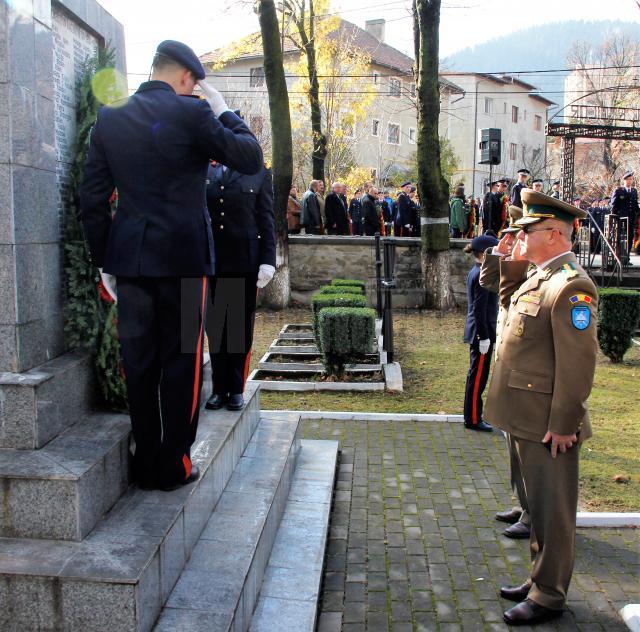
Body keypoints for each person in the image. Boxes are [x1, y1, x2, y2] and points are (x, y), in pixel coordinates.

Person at [80, 40, 263, 490]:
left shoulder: (111, 117)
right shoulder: (193, 113)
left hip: (132, 262)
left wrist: (105, 259)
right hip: (183, 262)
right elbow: (251, 158)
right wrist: (222, 110)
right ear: (186, 78)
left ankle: (145, 461)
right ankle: (175, 463)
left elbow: (91, 198)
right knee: (182, 359)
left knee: (139, 362)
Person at [485, 190, 597, 626]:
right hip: (526, 416)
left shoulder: (572, 285)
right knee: (540, 508)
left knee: (553, 514)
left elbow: (577, 365)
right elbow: (508, 298)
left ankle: (549, 594)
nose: (520, 235)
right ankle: (538, 579)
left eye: (528, 230)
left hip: (550, 422)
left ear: (553, 234)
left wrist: (565, 423)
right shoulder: (542, 275)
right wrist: (507, 256)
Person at [204, 156, 275, 412]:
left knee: (239, 327)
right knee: (215, 326)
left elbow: (266, 217)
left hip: (244, 261)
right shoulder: (204, 168)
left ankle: (235, 388)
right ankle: (218, 388)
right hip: (210, 260)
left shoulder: (256, 171)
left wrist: (268, 259)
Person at [479, 204, 532, 541]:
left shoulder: (535, 272)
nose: (511, 242)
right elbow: (487, 281)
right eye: (509, 236)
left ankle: (532, 511)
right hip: (509, 364)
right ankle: (523, 502)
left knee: (528, 449)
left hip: (527, 375)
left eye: (516, 237)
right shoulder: (514, 264)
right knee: (513, 445)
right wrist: (499, 252)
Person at [462, 234, 499, 432]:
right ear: (485, 254)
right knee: (477, 378)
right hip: (480, 333)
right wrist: (483, 336)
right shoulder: (482, 274)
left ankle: (475, 415)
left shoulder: (478, 271)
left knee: (477, 376)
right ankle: (473, 419)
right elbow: (479, 309)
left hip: (480, 331)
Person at [609, 171, 639, 263]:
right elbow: (613, 205)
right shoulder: (618, 190)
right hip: (620, 220)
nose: (630, 181)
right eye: (628, 179)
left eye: (631, 179)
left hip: (630, 220)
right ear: (624, 180)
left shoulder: (634, 191)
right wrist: (613, 219)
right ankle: (618, 258)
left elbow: (635, 206)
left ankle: (626, 258)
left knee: (629, 239)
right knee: (619, 239)